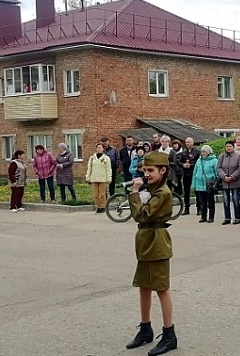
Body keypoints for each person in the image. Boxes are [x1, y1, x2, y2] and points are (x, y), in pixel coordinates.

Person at [124, 152, 177, 355]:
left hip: (157, 242)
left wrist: (135, 192)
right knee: (144, 286)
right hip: (147, 241)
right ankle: (145, 328)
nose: (147, 174)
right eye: (145, 170)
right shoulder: (153, 189)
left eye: (151, 170)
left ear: (162, 171)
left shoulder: (163, 192)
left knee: (161, 288)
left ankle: (169, 335)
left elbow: (140, 214)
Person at [217, 140, 240, 225]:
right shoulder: (222, 156)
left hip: (235, 182)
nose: (228, 148)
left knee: (235, 199)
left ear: (233, 147)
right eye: (227, 146)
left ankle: (237, 217)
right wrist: (224, 176)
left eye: (230, 146)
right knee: (226, 200)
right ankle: (227, 217)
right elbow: (218, 168)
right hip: (225, 182)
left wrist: (232, 177)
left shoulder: (238, 156)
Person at [192, 145, 218, 223]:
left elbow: (217, 173)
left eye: (204, 152)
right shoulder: (199, 161)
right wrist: (194, 184)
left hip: (209, 184)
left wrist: (215, 182)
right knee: (202, 202)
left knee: (210, 202)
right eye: (202, 151)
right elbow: (195, 172)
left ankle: (211, 217)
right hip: (200, 184)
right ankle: (203, 216)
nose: (202, 153)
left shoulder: (214, 161)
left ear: (208, 152)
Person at [86, 143, 112, 214]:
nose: (98, 149)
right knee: (95, 194)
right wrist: (87, 177)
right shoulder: (92, 158)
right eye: (97, 148)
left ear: (103, 149)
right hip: (94, 178)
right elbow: (89, 168)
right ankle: (98, 206)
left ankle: (103, 206)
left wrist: (109, 178)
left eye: (100, 148)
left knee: (102, 194)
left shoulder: (106, 158)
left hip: (103, 178)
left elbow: (108, 169)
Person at [177, 137, 200, 216]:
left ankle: (199, 208)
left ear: (193, 143)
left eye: (189, 142)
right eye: (186, 142)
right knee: (186, 192)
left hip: (194, 174)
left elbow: (198, 162)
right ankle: (187, 208)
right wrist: (183, 165)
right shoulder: (183, 153)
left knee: (197, 191)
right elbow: (179, 162)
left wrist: (190, 165)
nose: (187, 144)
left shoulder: (197, 152)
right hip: (186, 174)